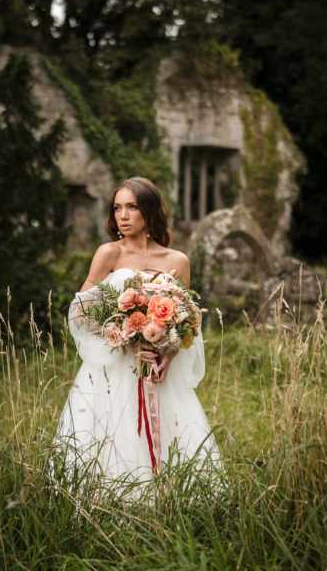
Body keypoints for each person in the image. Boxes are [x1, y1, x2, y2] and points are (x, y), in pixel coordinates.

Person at [52, 176, 221, 484]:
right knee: (115, 433)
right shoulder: (109, 254)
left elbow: (186, 321)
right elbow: (81, 310)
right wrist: (123, 335)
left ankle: (169, 500)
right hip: (116, 369)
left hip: (159, 370)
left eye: (132, 207)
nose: (123, 216)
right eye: (117, 208)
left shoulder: (177, 261)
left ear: (149, 211)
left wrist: (166, 355)